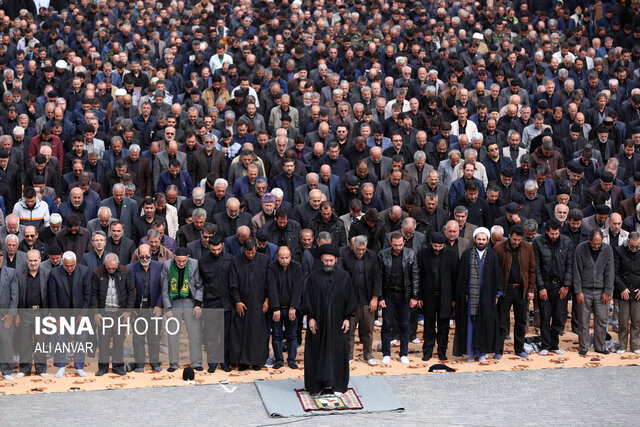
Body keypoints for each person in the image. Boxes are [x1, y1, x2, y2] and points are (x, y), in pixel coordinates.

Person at [301, 244, 356, 396]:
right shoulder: (314, 277)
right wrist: (311, 318)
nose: (328, 263)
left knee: (338, 352)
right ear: (321, 260)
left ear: (336, 259)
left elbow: (350, 299)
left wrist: (347, 318)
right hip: (318, 323)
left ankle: (337, 385)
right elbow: (308, 299)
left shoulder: (344, 277)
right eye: (325, 261)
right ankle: (317, 386)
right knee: (317, 353)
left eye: (331, 261)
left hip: (338, 323)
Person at [453, 227, 503, 362]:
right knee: (469, 324)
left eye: (483, 239)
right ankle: (469, 353)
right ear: (474, 239)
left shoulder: (492, 256)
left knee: (485, 324)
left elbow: (497, 276)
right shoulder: (466, 255)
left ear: (487, 240)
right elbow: (461, 277)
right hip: (470, 298)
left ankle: (482, 353)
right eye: (479, 239)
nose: (481, 242)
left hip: (487, 297)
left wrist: (497, 294)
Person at [493, 225, 536, 359]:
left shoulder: (528, 248)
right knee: (502, 321)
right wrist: (497, 291)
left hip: (521, 290)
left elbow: (532, 270)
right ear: (509, 236)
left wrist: (531, 290)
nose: (517, 243)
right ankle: (498, 350)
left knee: (521, 321)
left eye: (519, 240)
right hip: (505, 290)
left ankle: (519, 348)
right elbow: (494, 272)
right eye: (514, 240)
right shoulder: (499, 249)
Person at [533, 218, 574, 356]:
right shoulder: (537, 242)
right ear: (546, 231)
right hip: (545, 285)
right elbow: (536, 267)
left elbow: (570, 265)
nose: (554, 236)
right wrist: (541, 287)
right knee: (545, 316)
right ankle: (545, 344)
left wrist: (566, 285)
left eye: (556, 233)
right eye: (552, 234)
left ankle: (554, 344)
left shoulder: (566, 242)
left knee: (560, 316)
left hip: (561, 286)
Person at [377, 231, 420, 364]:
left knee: (405, 324)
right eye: (395, 245)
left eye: (400, 245)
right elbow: (378, 277)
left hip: (405, 296)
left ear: (404, 243)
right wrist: (379, 297)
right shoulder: (382, 255)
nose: (397, 247)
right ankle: (386, 353)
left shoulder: (410, 254)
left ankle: (403, 353)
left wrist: (414, 296)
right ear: (391, 243)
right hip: (388, 295)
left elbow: (415, 276)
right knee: (387, 324)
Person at [48, 251, 92, 377]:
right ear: (63, 262)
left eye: (72, 265)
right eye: (67, 265)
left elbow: (87, 294)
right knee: (60, 339)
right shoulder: (55, 273)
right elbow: (52, 297)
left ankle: (79, 366)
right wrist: (57, 317)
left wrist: (83, 313)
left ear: (76, 262)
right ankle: (61, 366)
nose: (69, 268)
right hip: (62, 313)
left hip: (79, 313)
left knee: (81, 340)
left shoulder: (84, 271)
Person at [91, 253, 135, 376]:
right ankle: (103, 367)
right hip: (104, 313)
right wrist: (95, 312)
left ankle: (118, 366)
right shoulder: (97, 272)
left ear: (118, 264)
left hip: (119, 313)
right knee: (103, 341)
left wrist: (128, 312)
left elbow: (131, 292)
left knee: (119, 340)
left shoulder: (125, 272)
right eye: (109, 268)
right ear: (105, 265)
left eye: (113, 268)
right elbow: (93, 294)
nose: (111, 270)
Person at [229, 238, 270, 370]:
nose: (250, 255)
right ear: (244, 250)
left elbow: (270, 282)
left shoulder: (264, 260)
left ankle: (257, 361)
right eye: (248, 253)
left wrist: (267, 300)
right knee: (241, 333)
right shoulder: (236, 260)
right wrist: (237, 301)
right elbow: (233, 283)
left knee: (257, 333)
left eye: (252, 253)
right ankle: (243, 362)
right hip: (243, 303)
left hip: (259, 302)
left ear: (256, 249)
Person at [161, 247, 204, 372]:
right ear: (174, 257)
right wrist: (167, 308)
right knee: (173, 335)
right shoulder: (167, 266)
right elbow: (164, 289)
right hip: (174, 302)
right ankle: (173, 364)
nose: (181, 263)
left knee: (195, 334)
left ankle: (196, 363)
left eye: (184, 261)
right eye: (179, 261)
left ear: (188, 257)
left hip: (190, 301)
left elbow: (200, 286)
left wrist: (198, 304)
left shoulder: (194, 264)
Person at [417, 232, 458, 361]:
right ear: (431, 244)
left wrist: (454, 299)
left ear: (444, 245)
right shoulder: (423, 254)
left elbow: (455, 279)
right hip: (428, 296)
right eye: (435, 246)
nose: (437, 249)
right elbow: (418, 276)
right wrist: (418, 296)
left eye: (440, 246)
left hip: (445, 297)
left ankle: (442, 352)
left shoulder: (452, 255)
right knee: (428, 325)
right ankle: (427, 352)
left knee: (444, 327)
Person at [341, 235, 382, 365]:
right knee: (349, 331)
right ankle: (348, 356)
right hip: (351, 300)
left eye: (363, 249)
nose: (361, 252)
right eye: (358, 249)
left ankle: (368, 355)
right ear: (353, 246)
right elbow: (341, 276)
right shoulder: (345, 255)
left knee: (368, 330)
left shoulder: (372, 256)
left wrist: (375, 298)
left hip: (367, 299)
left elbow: (377, 277)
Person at [573, 229, 615, 355]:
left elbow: (610, 272)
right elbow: (576, 272)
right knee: (583, 320)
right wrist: (578, 291)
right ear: (589, 240)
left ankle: (600, 346)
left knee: (602, 320)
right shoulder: (580, 249)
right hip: (584, 290)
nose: (597, 246)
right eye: (594, 243)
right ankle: (584, 346)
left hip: (601, 290)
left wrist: (607, 291)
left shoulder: (607, 250)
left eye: (599, 243)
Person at [199, 235, 234, 372]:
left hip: (227, 303)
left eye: (218, 249)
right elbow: (201, 284)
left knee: (226, 335)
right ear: (208, 247)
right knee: (211, 335)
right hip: (211, 303)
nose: (216, 252)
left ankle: (225, 362)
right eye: (213, 249)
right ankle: (212, 362)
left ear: (222, 245)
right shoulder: (202, 261)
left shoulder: (230, 259)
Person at [127, 244, 164, 372]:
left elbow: (163, 288)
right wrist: (130, 309)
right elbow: (127, 291)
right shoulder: (130, 268)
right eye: (142, 256)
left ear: (151, 253)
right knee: (138, 338)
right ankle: (139, 364)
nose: (144, 258)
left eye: (147, 256)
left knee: (154, 337)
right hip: (138, 310)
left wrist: (159, 305)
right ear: (138, 255)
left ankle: (154, 363)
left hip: (154, 309)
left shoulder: (160, 267)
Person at [267, 246, 303, 370]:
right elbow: (271, 288)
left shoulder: (297, 267)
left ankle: (292, 359)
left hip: (291, 307)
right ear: (277, 257)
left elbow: (298, 288)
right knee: (276, 334)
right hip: (277, 307)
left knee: (292, 335)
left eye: (287, 257)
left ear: (290, 256)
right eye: (282, 258)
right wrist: (275, 308)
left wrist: (293, 307)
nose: (284, 260)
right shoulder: (272, 267)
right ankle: (279, 359)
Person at [15, 250, 49, 378]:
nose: (33, 263)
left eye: (35, 260)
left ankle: (41, 369)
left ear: (40, 260)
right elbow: (16, 295)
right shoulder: (19, 274)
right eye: (30, 260)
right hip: (25, 313)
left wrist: (49, 314)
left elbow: (50, 295)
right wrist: (16, 314)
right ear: (27, 261)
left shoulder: (46, 274)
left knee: (41, 341)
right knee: (25, 342)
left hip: (41, 313)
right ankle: (25, 369)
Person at [613, 232, 640, 354]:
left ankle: (635, 346)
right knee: (623, 321)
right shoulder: (619, 251)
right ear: (627, 242)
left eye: (637, 247)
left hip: (637, 290)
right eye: (632, 246)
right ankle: (622, 345)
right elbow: (615, 272)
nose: (634, 249)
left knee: (637, 320)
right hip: (623, 290)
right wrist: (622, 288)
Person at [0, 250, 17, 380]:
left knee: (6, 342)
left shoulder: (10, 273)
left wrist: (11, 315)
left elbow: (14, 296)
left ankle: (6, 371)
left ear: (2, 258)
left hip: (5, 315)